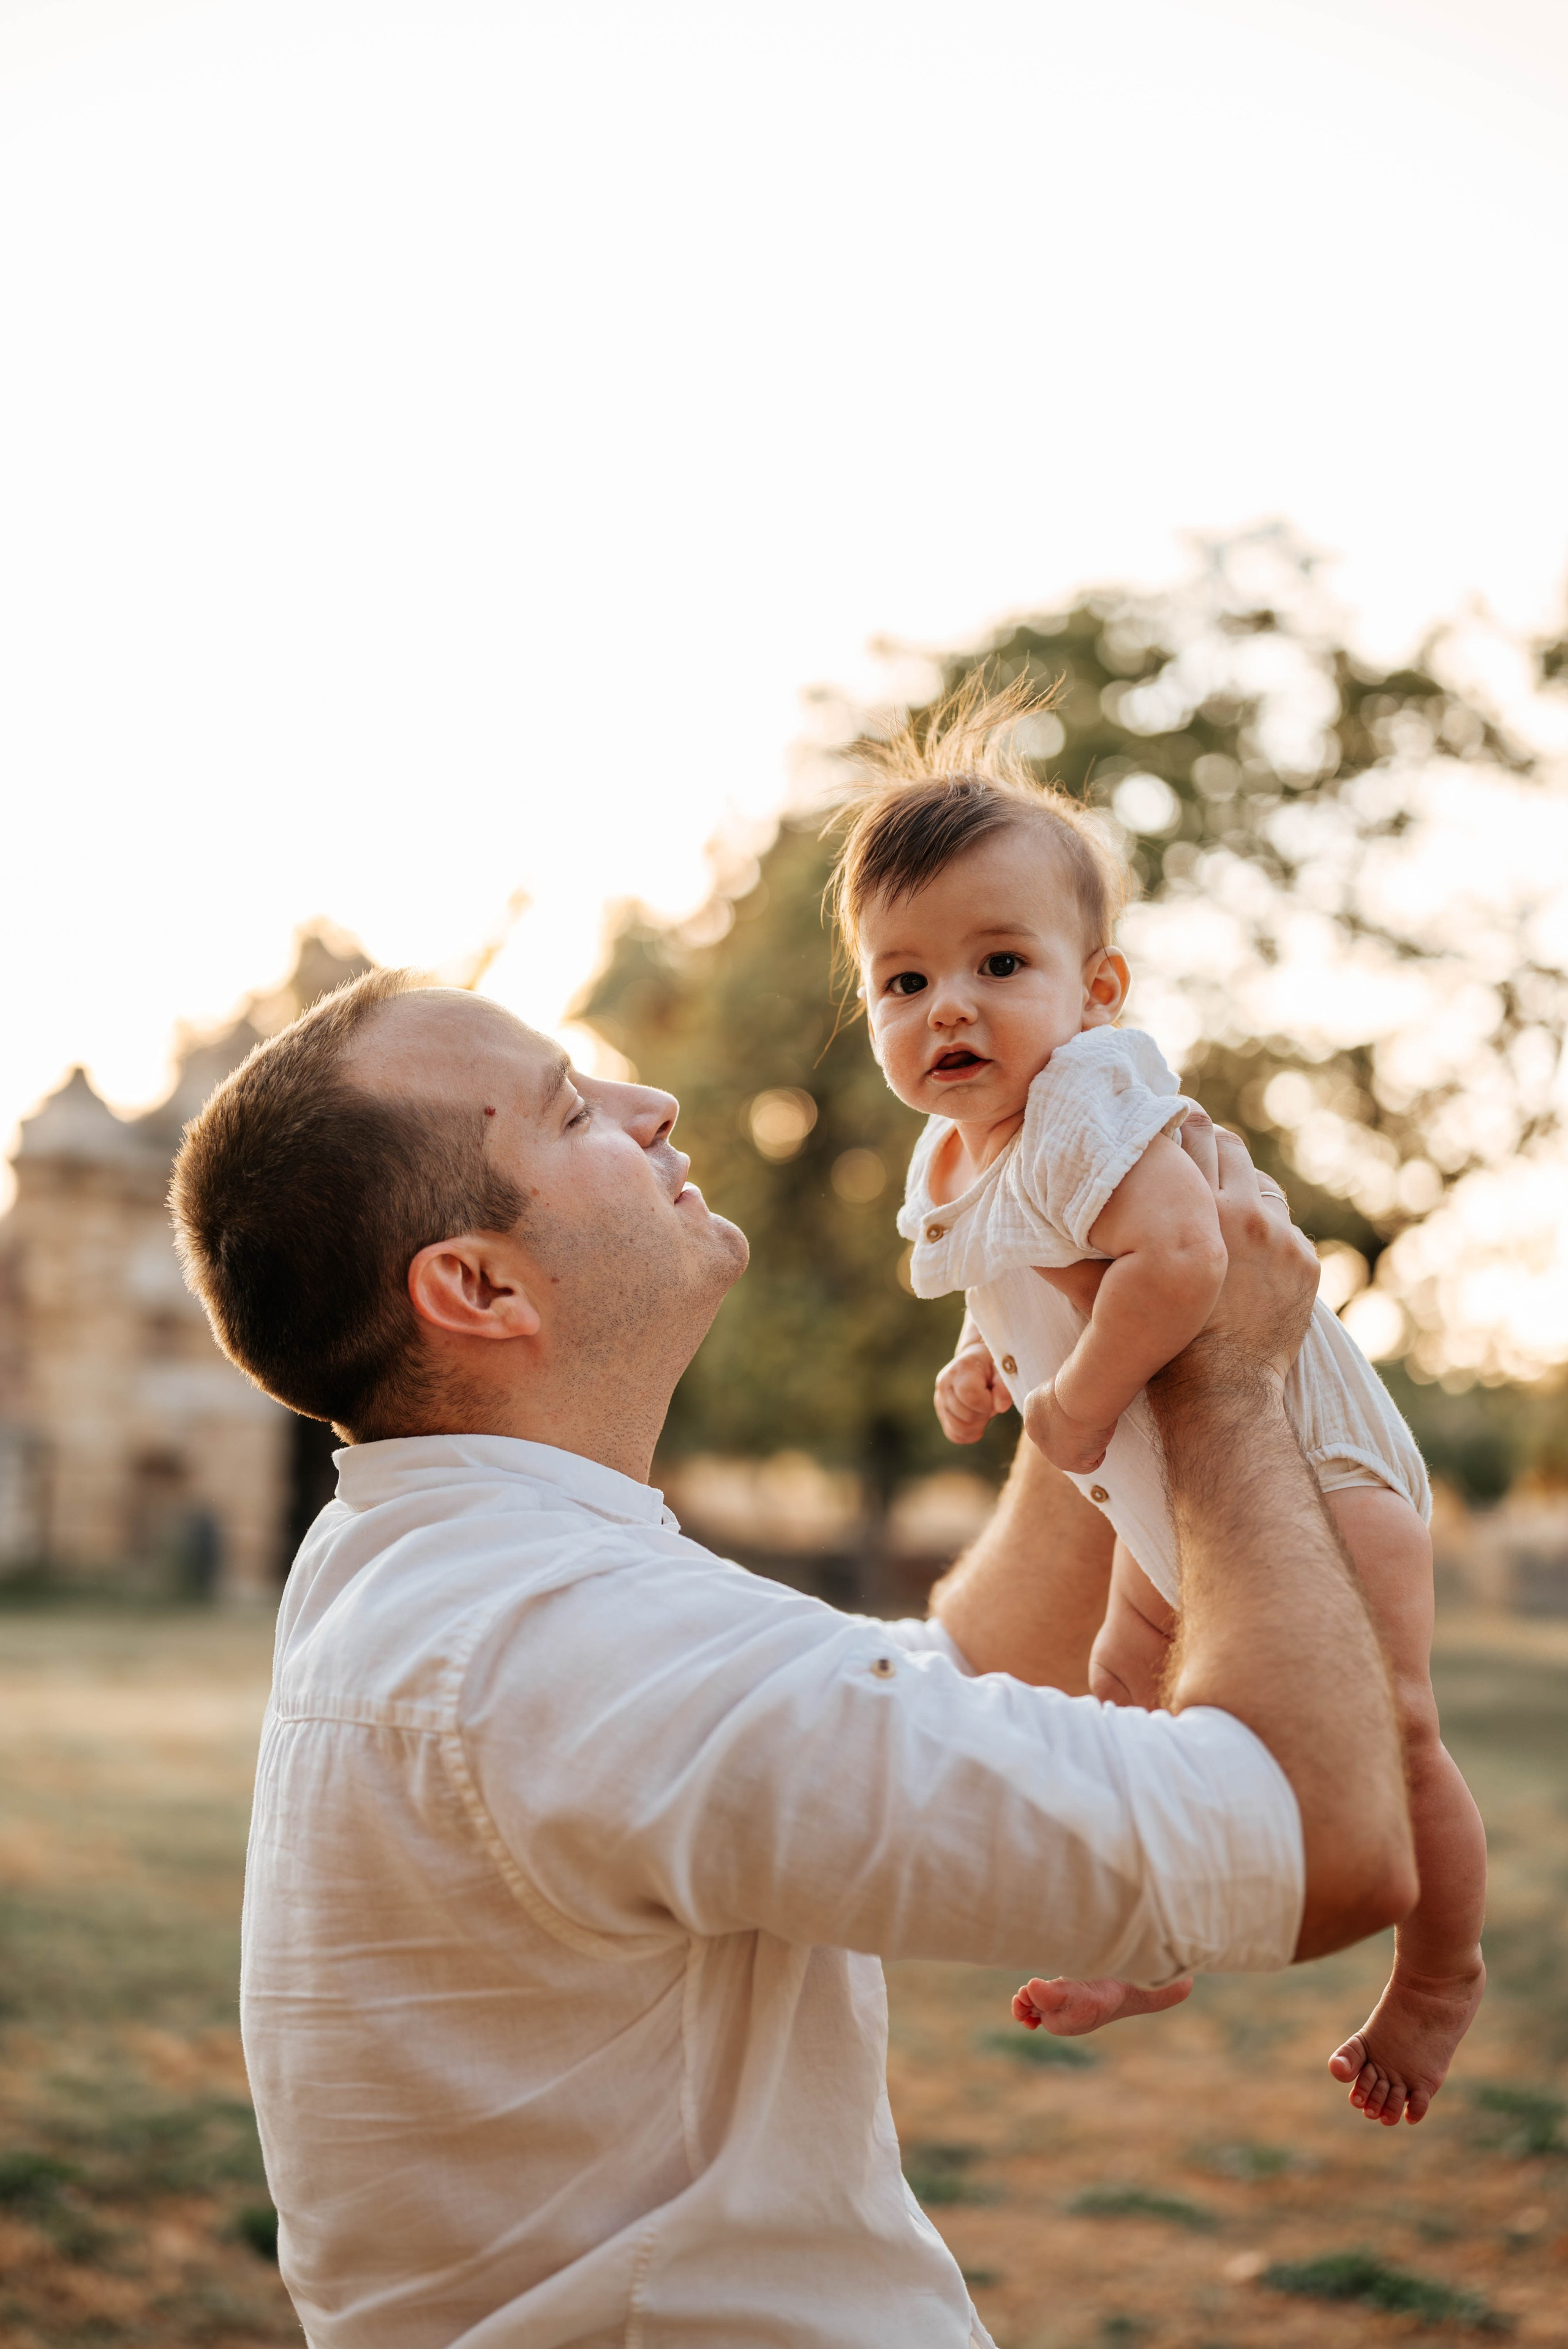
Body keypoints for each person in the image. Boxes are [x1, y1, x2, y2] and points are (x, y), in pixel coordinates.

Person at [169, 967, 1414, 2349]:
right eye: (572, 1109)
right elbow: (1321, 1839)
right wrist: (1223, 1373)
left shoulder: (430, 1570)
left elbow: (910, 1684)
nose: (653, 1106)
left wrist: (1097, 1335)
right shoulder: (568, 1645)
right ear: (478, 1284)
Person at [830, 680, 1485, 2131]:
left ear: (1094, 991)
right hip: (1163, 1483)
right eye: (902, 979)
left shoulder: (1085, 1102)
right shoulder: (953, 1165)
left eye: (1000, 962)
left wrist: (1066, 1404)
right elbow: (1027, 1291)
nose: (949, 1005)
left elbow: (1184, 1259)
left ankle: (1436, 1971)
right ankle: (1145, 1946)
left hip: (1305, 1462)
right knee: (1124, 1696)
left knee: (1391, 1719)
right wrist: (988, 1369)